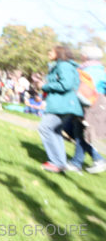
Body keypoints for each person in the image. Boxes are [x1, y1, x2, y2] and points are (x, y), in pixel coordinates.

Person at [37, 45, 84, 173]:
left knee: (45, 128)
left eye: (51, 51)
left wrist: (45, 86)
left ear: (59, 53)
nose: (48, 52)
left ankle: (56, 162)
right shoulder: (64, 65)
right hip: (64, 104)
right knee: (55, 131)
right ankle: (60, 163)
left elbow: (66, 84)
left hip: (62, 105)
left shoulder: (64, 65)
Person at [63, 45, 106, 174]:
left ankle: (83, 162)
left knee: (79, 131)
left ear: (86, 56)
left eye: (82, 54)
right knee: (75, 130)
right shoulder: (99, 70)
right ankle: (87, 160)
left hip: (88, 106)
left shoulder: (88, 70)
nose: (81, 56)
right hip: (92, 105)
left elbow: (82, 89)